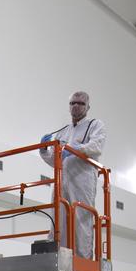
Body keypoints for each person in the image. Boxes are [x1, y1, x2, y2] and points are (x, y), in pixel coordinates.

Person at [39, 91, 106, 258]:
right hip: (61, 180)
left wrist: (76, 149)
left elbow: (96, 146)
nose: (76, 106)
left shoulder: (95, 125)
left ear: (88, 107)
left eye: (81, 103)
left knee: (81, 220)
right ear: (69, 106)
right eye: (73, 103)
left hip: (82, 180)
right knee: (58, 219)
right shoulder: (63, 132)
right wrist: (43, 150)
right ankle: (59, 258)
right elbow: (56, 160)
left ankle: (83, 261)